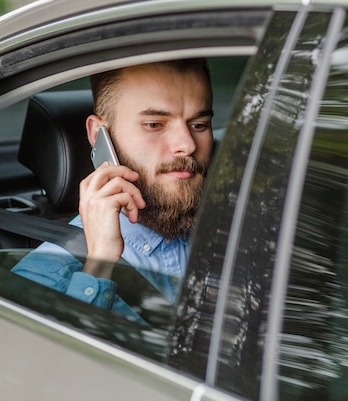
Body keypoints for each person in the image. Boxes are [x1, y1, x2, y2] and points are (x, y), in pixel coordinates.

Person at [12, 58, 214, 323]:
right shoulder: (44, 275)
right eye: (154, 124)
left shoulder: (235, 233)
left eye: (199, 125)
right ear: (99, 135)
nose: (187, 145)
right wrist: (99, 265)